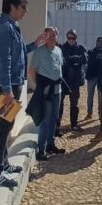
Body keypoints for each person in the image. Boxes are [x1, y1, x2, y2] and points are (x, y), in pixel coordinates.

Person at [0, 0, 46, 189]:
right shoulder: (3, 28)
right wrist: (7, 89)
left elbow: (17, 54)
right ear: (12, 7)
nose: (25, 11)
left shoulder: (12, 27)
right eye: (23, 7)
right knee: (4, 126)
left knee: (8, 124)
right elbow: (3, 61)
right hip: (7, 85)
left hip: (12, 83)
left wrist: (35, 44)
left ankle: (3, 163)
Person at [27, 27, 66, 161]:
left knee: (55, 118)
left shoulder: (59, 50)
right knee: (45, 120)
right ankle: (42, 149)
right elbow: (32, 71)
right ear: (45, 36)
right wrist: (39, 86)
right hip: (45, 91)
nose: (52, 37)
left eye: (54, 35)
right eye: (48, 35)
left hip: (57, 91)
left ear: (57, 36)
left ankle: (51, 144)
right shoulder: (39, 52)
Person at [58, 29, 88, 132]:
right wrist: (75, 60)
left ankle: (74, 124)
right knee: (60, 104)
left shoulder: (81, 48)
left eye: (73, 38)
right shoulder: (61, 48)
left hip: (75, 82)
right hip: (63, 81)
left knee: (74, 105)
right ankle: (57, 126)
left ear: (76, 38)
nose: (71, 40)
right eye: (69, 38)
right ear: (67, 37)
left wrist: (72, 59)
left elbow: (85, 59)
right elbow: (61, 61)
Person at [84, 37, 102, 119]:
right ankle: (89, 112)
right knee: (90, 95)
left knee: (101, 97)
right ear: (96, 42)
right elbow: (86, 63)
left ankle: (100, 113)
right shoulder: (91, 52)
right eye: (99, 41)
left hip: (101, 78)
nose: (100, 43)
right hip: (91, 77)